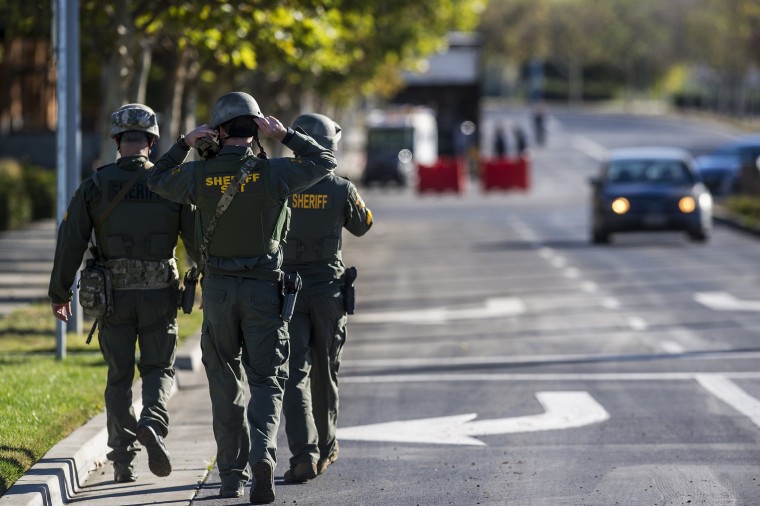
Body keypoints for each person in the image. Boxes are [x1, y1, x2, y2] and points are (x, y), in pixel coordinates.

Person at [146, 92, 336, 504]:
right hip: (265, 290)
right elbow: (326, 163)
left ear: (219, 130)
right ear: (256, 129)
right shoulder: (276, 174)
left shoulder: (199, 176)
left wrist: (184, 143)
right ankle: (262, 453)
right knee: (267, 378)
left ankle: (231, 476)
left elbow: (155, 178)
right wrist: (286, 134)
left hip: (217, 292)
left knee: (224, 380)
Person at [48, 103, 198, 483]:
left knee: (118, 379)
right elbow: (198, 241)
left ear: (117, 141)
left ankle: (123, 462)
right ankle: (152, 420)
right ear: (151, 141)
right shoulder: (172, 183)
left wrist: (59, 292)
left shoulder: (94, 186)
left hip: (112, 298)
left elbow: (71, 241)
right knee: (158, 368)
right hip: (160, 295)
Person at [281, 113, 373, 483]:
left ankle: (302, 455)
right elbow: (363, 225)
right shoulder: (340, 187)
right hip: (328, 292)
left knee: (294, 374)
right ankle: (326, 447)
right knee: (326, 371)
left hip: (288, 291)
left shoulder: (281, 184)